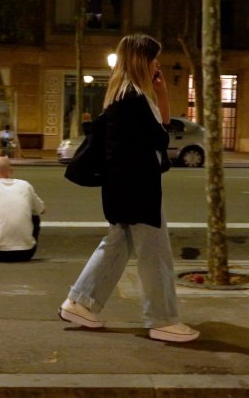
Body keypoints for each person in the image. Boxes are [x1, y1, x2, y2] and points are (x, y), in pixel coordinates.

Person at [58, 34, 199, 343]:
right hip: (137, 189)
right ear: (141, 62)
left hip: (127, 189)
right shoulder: (132, 100)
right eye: (153, 60)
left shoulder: (126, 96)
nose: (157, 65)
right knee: (156, 254)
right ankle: (162, 320)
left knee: (118, 245)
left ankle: (79, 302)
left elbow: (155, 133)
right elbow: (160, 138)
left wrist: (161, 90)